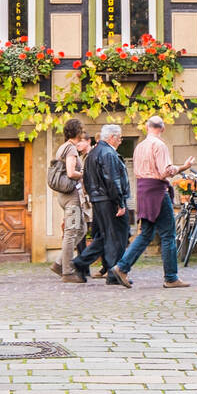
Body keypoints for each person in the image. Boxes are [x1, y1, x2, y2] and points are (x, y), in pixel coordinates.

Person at [109, 116, 195, 290]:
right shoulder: (159, 145)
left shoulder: (140, 146)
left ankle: (122, 267)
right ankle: (170, 277)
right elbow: (165, 171)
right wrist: (183, 168)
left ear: (147, 127)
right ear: (162, 129)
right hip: (157, 191)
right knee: (168, 235)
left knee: (146, 233)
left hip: (143, 191)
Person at [73, 124, 130, 283]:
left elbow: (88, 179)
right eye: (119, 138)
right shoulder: (108, 153)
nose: (120, 141)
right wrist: (119, 202)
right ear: (112, 137)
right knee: (116, 236)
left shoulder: (94, 153)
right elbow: (112, 180)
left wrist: (94, 197)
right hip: (109, 200)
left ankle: (83, 263)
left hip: (98, 199)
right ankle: (112, 273)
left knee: (105, 237)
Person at [51, 121, 92, 283]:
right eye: (81, 130)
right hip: (71, 196)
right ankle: (67, 272)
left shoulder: (63, 147)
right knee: (71, 231)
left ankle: (59, 262)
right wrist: (84, 173)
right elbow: (70, 172)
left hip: (64, 195)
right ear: (77, 132)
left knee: (81, 229)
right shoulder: (71, 148)